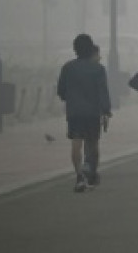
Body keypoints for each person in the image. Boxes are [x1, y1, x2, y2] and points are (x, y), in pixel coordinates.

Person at [57, 33, 112, 192]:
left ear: (75, 49)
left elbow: (61, 91)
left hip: (74, 111)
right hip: (92, 112)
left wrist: (70, 98)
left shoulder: (68, 67)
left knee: (76, 142)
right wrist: (106, 110)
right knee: (93, 143)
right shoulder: (98, 69)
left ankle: (79, 176)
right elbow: (103, 92)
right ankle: (91, 170)